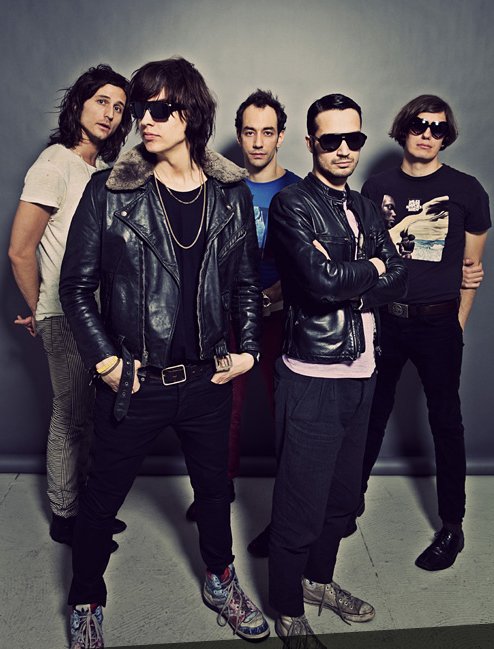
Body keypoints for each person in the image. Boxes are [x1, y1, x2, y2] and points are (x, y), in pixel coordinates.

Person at [59, 57, 270, 648]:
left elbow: (246, 283)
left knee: (215, 494)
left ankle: (220, 580)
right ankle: (85, 598)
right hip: (135, 381)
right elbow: (74, 287)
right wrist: (106, 361)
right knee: (100, 501)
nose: (143, 121)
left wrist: (249, 350)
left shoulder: (229, 193)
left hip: (207, 379)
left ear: (190, 114)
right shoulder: (110, 191)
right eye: (139, 109)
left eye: (158, 109)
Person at [267, 93, 407, 644]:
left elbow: (399, 275)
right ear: (311, 143)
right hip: (313, 375)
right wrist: (372, 266)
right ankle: (287, 608)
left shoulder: (366, 207)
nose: (345, 149)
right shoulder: (292, 205)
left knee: (342, 499)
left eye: (355, 139)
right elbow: (319, 285)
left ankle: (317, 582)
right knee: (299, 503)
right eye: (332, 140)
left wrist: (360, 275)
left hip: (363, 371)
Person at [358, 94, 490, 571]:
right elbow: (366, 257)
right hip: (386, 320)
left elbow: (472, 270)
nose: (428, 134)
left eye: (438, 128)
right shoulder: (376, 187)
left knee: (446, 422)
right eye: (419, 124)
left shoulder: (467, 190)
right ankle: (349, 502)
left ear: (446, 136)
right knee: (371, 413)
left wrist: (457, 322)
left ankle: (452, 525)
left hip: (438, 322)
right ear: (404, 129)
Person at [8, 64, 132, 550]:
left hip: (98, 315)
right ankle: (65, 516)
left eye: (118, 107)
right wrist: (41, 309)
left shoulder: (97, 172)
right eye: (101, 101)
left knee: (96, 416)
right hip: (65, 315)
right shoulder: (54, 164)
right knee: (71, 415)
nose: (110, 113)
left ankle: (86, 508)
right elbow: (21, 250)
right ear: (78, 103)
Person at [185, 89, 300, 537]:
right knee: (224, 405)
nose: (257, 142)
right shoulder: (220, 187)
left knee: (284, 406)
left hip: (283, 313)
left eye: (267, 132)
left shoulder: (297, 190)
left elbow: (310, 260)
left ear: (281, 137)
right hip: (229, 313)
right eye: (249, 132)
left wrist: (272, 296)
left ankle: (289, 499)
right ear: (238, 134)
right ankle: (218, 488)